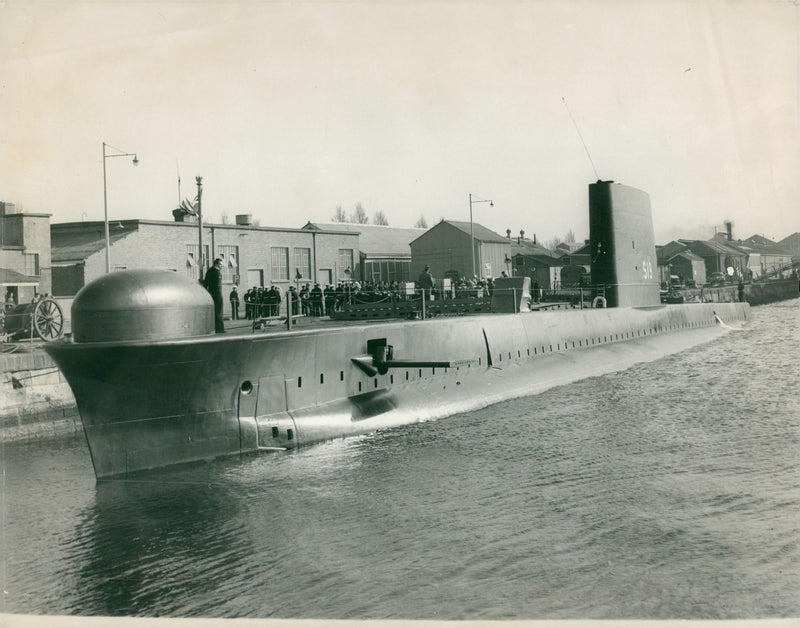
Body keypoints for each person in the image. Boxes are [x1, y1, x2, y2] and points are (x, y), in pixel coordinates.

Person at [203, 258, 225, 333]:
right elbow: (215, 285)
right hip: (216, 293)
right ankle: (219, 328)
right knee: (218, 311)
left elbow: (205, 283)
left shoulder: (210, 271)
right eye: (220, 265)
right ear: (216, 264)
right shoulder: (215, 272)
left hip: (214, 293)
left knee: (217, 311)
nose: (221, 266)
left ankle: (219, 327)